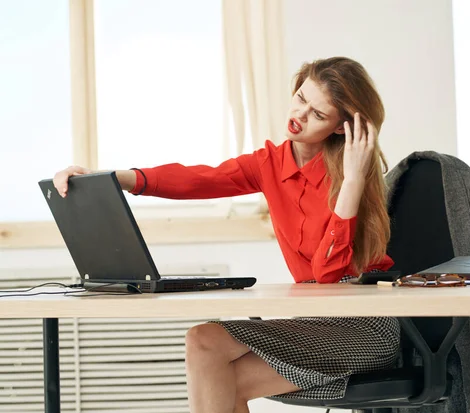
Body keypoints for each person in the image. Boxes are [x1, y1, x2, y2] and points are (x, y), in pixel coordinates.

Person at [53, 57, 400, 413]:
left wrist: (354, 180)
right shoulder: (270, 164)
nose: (299, 113)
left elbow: (328, 274)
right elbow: (199, 179)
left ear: (342, 129)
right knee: (211, 363)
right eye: (300, 97)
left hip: (365, 327)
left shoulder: (351, 180)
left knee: (206, 345)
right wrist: (110, 179)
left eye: (318, 114)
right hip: (314, 322)